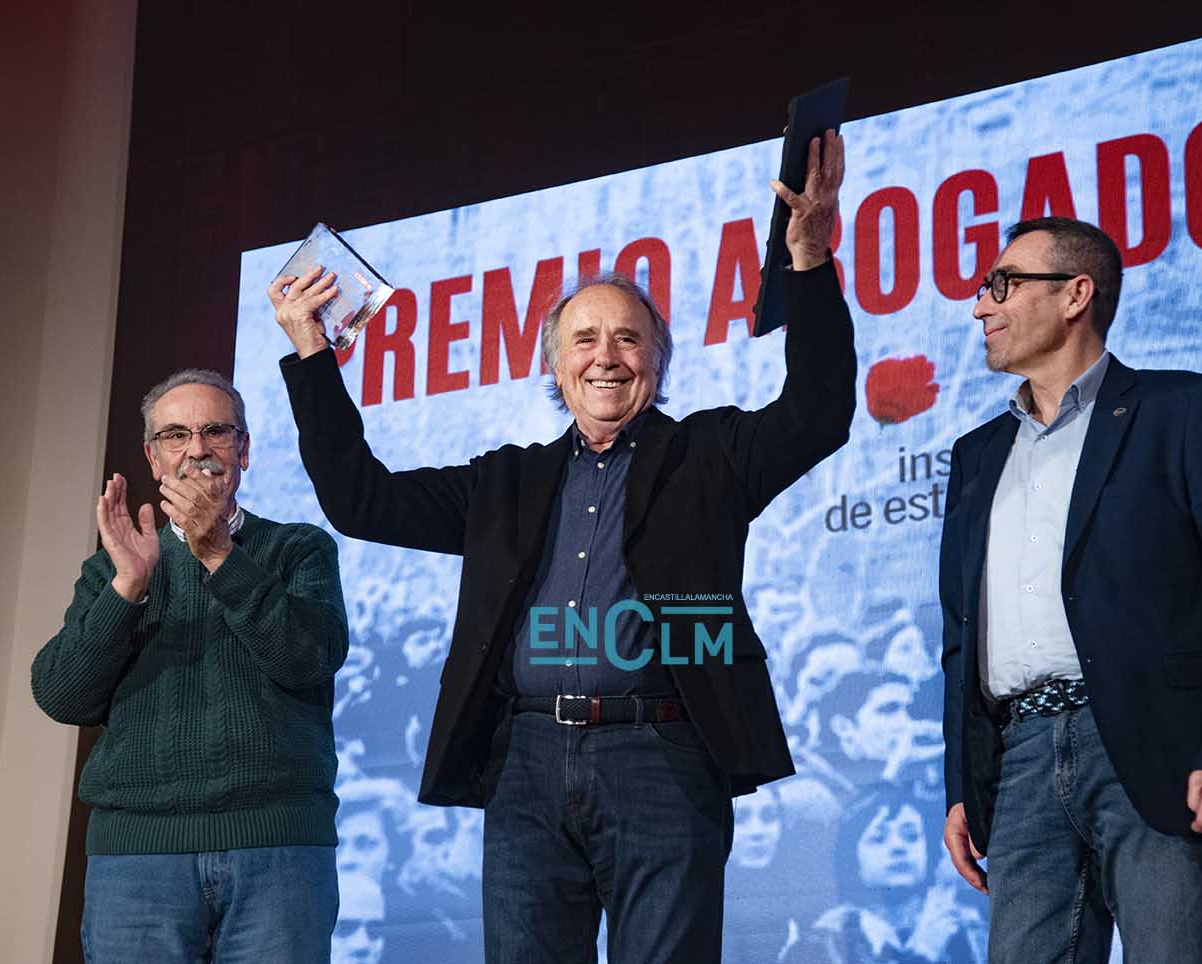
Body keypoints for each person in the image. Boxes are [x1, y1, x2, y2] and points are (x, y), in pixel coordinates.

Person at [269, 131, 855, 963]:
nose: (606, 357)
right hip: (526, 765)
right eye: (584, 340)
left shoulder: (710, 458)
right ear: (554, 363)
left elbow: (820, 409)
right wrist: (313, 356)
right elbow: (360, 499)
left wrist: (810, 262)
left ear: (657, 357)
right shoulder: (505, 483)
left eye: (627, 338)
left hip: (666, 758)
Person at [938, 217, 1202, 962]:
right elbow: (960, 637)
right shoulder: (975, 456)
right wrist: (962, 786)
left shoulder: (1184, 409)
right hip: (1020, 760)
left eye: (1002, 284)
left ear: (1076, 294)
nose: (981, 306)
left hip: (1158, 749)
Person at [32, 368, 349, 962]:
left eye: (215, 432)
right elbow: (61, 696)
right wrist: (128, 588)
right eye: (176, 435)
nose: (197, 449)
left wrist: (219, 556)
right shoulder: (114, 567)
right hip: (137, 859)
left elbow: (310, 658)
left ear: (245, 450)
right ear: (154, 460)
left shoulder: (299, 548)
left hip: (278, 850)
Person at [812, 785, 983, 964]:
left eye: (911, 836)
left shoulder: (966, 925)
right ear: (852, 859)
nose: (898, 847)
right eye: (879, 838)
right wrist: (925, 948)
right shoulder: (828, 937)